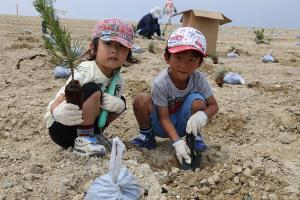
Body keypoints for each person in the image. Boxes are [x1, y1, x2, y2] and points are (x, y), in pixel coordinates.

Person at [44, 19, 137, 156]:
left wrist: (120, 106)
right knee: (93, 89)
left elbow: (107, 109)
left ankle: (95, 134)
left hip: (87, 125)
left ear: (128, 53)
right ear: (93, 48)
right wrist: (56, 110)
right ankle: (84, 138)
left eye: (121, 46)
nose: (114, 50)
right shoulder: (86, 70)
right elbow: (61, 98)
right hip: (63, 127)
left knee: (120, 102)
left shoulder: (119, 82)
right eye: (107, 43)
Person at [131, 27, 219, 165]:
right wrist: (177, 142)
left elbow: (214, 106)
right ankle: (147, 136)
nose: (184, 65)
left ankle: (194, 137)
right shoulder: (161, 83)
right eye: (178, 57)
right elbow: (164, 118)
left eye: (191, 59)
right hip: (160, 124)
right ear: (167, 57)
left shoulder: (198, 79)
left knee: (197, 102)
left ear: (199, 63)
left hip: (185, 125)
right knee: (141, 99)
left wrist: (202, 116)